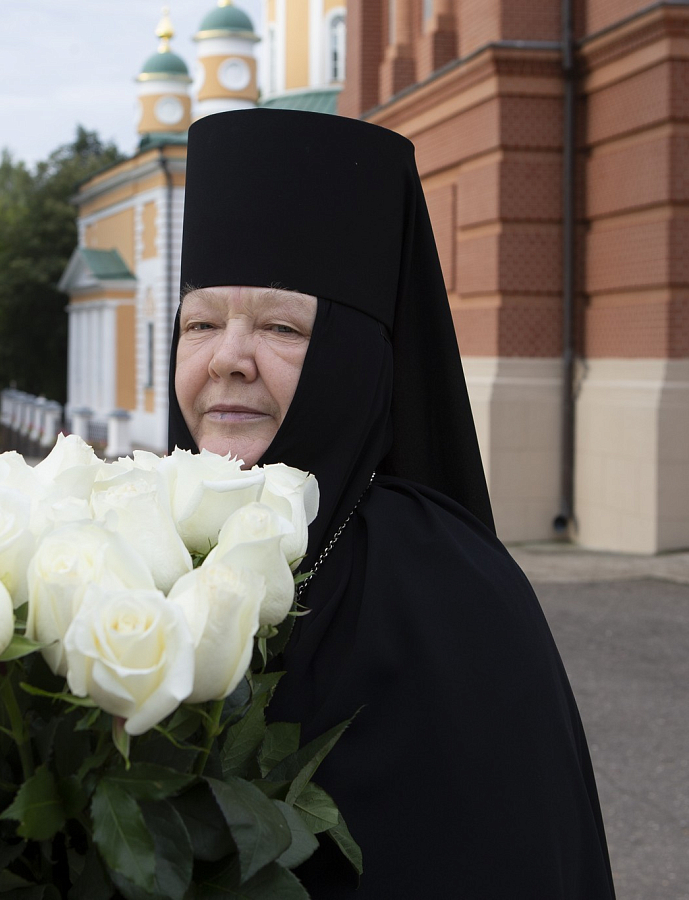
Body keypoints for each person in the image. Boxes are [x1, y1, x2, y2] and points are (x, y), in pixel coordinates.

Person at [169, 109, 615, 898]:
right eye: (200, 322)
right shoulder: (123, 547)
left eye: (281, 327)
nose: (228, 358)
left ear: (354, 360)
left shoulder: (456, 595)